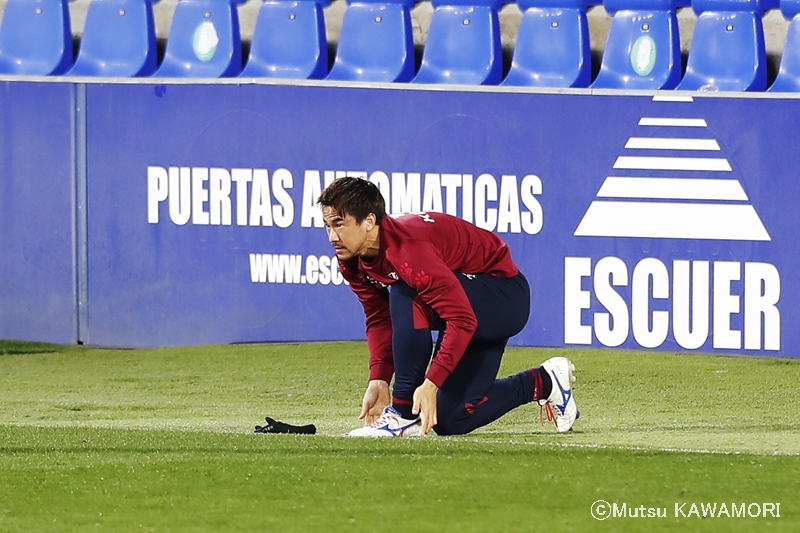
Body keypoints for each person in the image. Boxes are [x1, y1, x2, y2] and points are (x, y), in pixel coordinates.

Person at [318, 177, 577, 437]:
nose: (332, 236)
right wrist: (379, 378)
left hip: (504, 297)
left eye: (340, 225)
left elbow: (462, 319)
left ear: (369, 221)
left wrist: (430, 384)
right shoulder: (351, 258)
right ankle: (544, 381)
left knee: (405, 289)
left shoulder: (408, 251)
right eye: (327, 225)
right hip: (467, 300)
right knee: (450, 419)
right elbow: (378, 318)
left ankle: (403, 414)